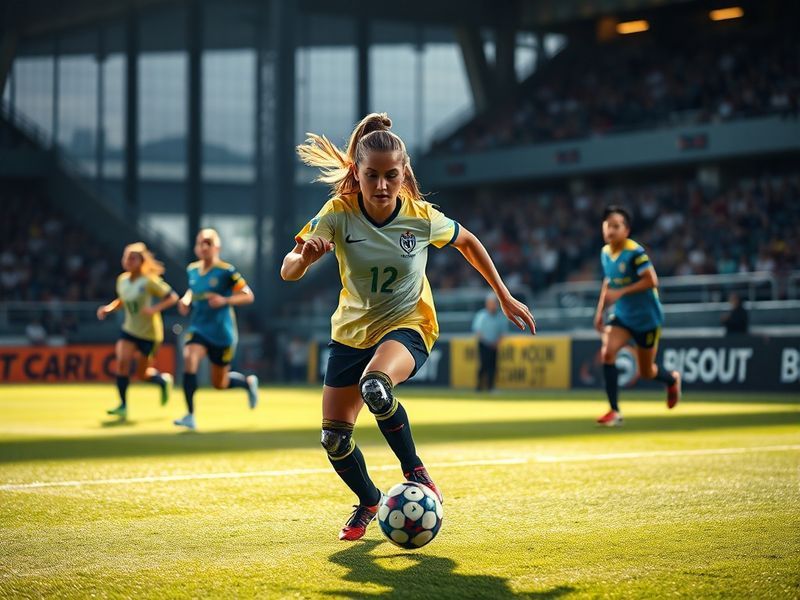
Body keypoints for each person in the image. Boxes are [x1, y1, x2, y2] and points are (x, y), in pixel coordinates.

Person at [282, 113, 536, 541]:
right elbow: (288, 270)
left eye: (391, 176)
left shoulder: (421, 217)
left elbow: (468, 241)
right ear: (356, 174)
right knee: (333, 440)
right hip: (350, 335)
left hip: (408, 325)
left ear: (404, 174)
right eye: (372, 176)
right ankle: (368, 500)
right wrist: (305, 259)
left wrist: (503, 294)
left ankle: (414, 467)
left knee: (376, 386)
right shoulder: (338, 213)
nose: (382, 185)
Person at [593, 206, 681, 426]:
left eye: (616, 226)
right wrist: (600, 312)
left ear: (627, 229)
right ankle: (614, 411)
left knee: (646, 371)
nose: (611, 230)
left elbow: (652, 280)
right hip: (622, 316)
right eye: (608, 225)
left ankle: (671, 379)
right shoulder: (605, 253)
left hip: (646, 320)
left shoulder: (635, 253)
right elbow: (608, 282)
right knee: (607, 352)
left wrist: (621, 292)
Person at [173, 228, 259, 431]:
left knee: (219, 384)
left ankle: (247, 384)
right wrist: (185, 300)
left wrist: (225, 300)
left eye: (208, 243)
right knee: (189, 357)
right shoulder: (192, 269)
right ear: (196, 247)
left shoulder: (227, 271)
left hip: (222, 334)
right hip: (199, 328)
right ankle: (190, 415)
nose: (204, 246)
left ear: (217, 247)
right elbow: (192, 290)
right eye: (200, 242)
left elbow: (248, 295)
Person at [96, 242, 179, 419]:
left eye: (133, 258)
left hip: (149, 333)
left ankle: (162, 382)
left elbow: (172, 297)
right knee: (122, 363)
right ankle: (123, 405)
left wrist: (154, 309)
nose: (128, 261)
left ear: (141, 261)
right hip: (130, 329)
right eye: (126, 257)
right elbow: (122, 300)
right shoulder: (122, 280)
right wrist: (109, 308)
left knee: (142, 374)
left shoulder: (149, 281)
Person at [472, 292, 509, 391]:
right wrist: (487, 342)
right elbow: (478, 331)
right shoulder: (481, 315)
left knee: (493, 366)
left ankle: (490, 387)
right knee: (483, 365)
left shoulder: (501, 316)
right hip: (484, 344)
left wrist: (496, 343)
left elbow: (503, 333)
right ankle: (479, 387)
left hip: (494, 345)